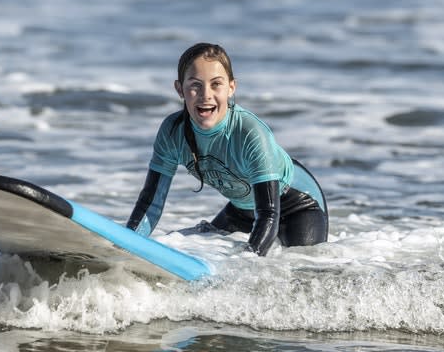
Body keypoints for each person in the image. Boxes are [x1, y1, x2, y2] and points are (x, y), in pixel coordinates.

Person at [126, 43, 328, 256]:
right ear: (179, 89)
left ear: (231, 88)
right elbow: (151, 204)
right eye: (195, 85)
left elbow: (268, 213)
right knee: (191, 246)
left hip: (298, 205)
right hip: (243, 210)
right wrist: (127, 245)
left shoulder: (250, 132)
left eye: (216, 84)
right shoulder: (172, 132)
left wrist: (246, 263)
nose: (206, 95)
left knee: (300, 271)